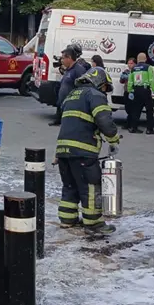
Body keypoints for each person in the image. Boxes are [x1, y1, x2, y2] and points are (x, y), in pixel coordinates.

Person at [53, 67, 119, 235]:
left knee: (70, 185)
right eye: (105, 88)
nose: (105, 92)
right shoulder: (95, 95)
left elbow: (68, 124)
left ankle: (67, 219)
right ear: (99, 82)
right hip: (83, 151)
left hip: (63, 150)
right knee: (90, 186)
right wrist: (113, 140)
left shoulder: (71, 96)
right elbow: (104, 121)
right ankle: (93, 223)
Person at [49, 43, 90, 126]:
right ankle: (58, 119)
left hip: (72, 106)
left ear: (69, 58)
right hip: (64, 103)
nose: (62, 60)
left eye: (63, 58)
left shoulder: (79, 70)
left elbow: (84, 87)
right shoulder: (69, 69)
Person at [127, 52, 154, 135]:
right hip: (145, 90)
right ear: (145, 59)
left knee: (136, 110)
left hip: (136, 90)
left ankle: (133, 128)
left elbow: (130, 81)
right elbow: (151, 80)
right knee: (149, 110)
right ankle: (149, 129)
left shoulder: (133, 68)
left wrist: (130, 91)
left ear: (137, 59)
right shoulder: (148, 67)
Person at [119, 57, 136, 130]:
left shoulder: (136, 71)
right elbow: (121, 81)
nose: (129, 65)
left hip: (133, 91)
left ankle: (130, 124)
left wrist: (129, 77)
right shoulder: (126, 71)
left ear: (135, 64)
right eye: (128, 63)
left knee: (132, 109)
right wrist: (123, 77)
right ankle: (129, 123)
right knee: (127, 108)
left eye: (131, 63)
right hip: (126, 91)